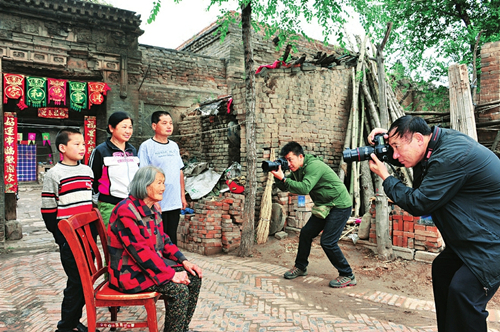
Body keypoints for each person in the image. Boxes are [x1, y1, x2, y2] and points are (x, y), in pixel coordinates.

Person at [367, 115, 500, 332]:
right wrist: (387, 141)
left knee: (463, 293)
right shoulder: (435, 142)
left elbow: (419, 203)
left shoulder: (452, 156)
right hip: (474, 237)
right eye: (393, 148)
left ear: (419, 138)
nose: (396, 155)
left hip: (492, 242)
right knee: (443, 270)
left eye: (398, 147)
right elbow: (408, 155)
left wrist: (386, 177)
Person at [107, 166, 202, 332]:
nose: (163, 187)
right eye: (159, 183)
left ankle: (180, 328)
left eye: (163, 183)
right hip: (129, 273)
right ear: (144, 185)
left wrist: (184, 261)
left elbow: (164, 240)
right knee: (178, 290)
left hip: (145, 267)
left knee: (193, 277)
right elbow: (140, 252)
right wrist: (171, 274)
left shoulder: (153, 208)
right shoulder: (125, 211)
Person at [270, 141, 355, 288]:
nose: (289, 163)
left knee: (328, 241)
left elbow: (304, 188)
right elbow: (287, 186)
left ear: (301, 156)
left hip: (340, 205)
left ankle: (347, 274)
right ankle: (301, 267)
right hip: (324, 205)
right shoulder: (298, 169)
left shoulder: (314, 166)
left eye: (291, 159)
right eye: (286, 160)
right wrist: (279, 178)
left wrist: (284, 179)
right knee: (306, 233)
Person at [41, 128, 97, 332]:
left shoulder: (87, 171)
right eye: (77, 144)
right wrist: (60, 237)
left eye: (83, 144)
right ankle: (65, 326)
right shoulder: (54, 175)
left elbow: (91, 203)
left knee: (84, 281)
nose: (82, 148)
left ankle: (72, 322)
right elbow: (48, 211)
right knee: (77, 281)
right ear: (62, 148)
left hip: (87, 236)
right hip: (69, 238)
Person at [138, 111, 186, 245]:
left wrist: (182, 196)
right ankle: (159, 264)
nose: (169, 126)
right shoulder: (146, 146)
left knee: (172, 236)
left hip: (174, 200)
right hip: (157, 201)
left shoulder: (174, 146)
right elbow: (143, 175)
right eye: (164, 123)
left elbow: (180, 171)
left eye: (170, 123)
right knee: (157, 237)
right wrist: (151, 199)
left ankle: (174, 264)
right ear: (154, 126)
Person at [89, 111, 139, 227]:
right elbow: (92, 179)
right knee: (112, 241)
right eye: (124, 127)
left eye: (130, 127)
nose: (128, 131)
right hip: (109, 205)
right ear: (111, 128)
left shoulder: (133, 151)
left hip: (131, 204)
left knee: (130, 240)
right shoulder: (100, 151)